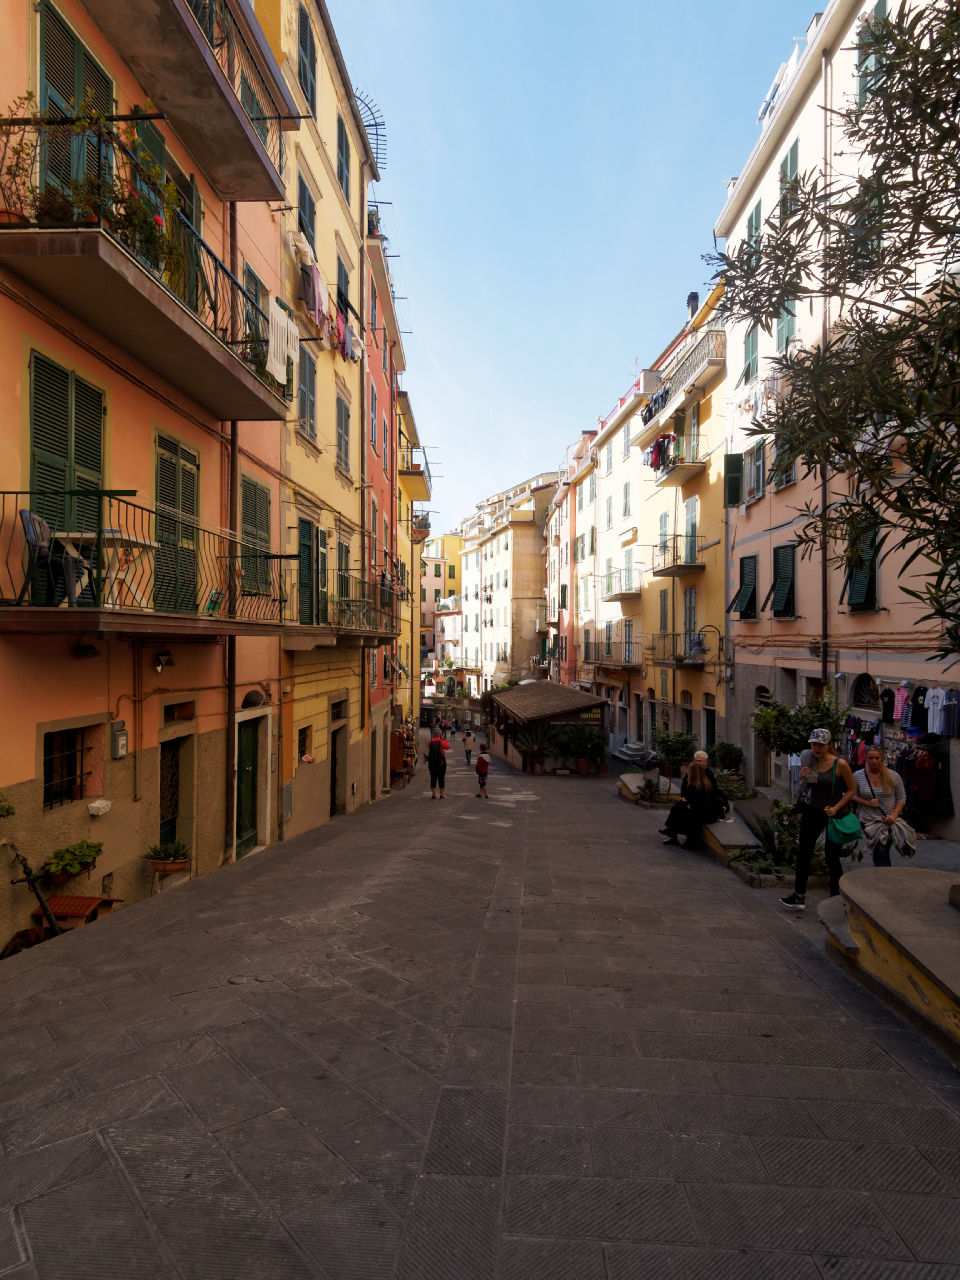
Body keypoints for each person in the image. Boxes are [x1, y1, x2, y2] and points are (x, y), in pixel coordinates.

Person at [780, 728, 857, 909]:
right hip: (813, 810)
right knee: (803, 853)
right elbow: (805, 788)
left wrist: (836, 807)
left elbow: (852, 790)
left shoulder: (840, 764)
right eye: (814, 744)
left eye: (821, 744)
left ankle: (836, 897)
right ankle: (799, 895)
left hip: (834, 814)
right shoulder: (809, 760)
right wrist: (801, 778)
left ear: (829, 745)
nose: (817, 748)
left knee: (832, 857)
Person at [852, 745, 908, 866]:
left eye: (877, 758)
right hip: (868, 820)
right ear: (865, 758)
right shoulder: (857, 775)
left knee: (882, 850)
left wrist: (894, 816)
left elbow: (901, 797)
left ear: (882, 758)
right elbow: (851, 795)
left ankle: (883, 877)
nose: (874, 761)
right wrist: (867, 802)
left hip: (888, 821)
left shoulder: (893, 776)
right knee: (879, 850)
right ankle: (882, 876)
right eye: (870, 758)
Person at [660, 756, 728, 848]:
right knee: (677, 808)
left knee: (684, 813)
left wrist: (690, 806)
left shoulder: (696, 785)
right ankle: (672, 833)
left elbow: (699, 802)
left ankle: (685, 837)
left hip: (706, 813)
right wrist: (688, 802)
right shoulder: (703, 782)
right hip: (707, 810)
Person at [425, 727, 449, 800]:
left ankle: (434, 795)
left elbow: (429, 747)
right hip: (441, 763)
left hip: (432, 763)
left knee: (433, 778)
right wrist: (443, 739)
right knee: (441, 778)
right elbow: (448, 747)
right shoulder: (442, 742)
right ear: (440, 734)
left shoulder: (431, 742)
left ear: (433, 734)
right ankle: (441, 795)